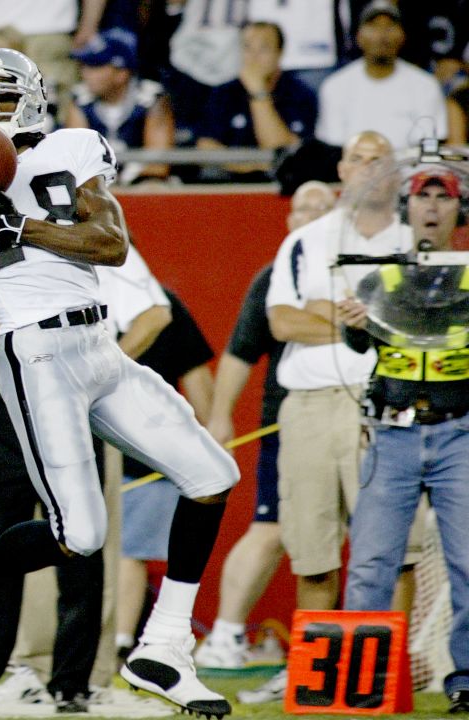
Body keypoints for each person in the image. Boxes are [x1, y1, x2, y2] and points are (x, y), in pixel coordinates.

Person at [0, 47, 239, 718]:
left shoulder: (74, 146)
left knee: (212, 476)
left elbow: (109, 243)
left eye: (4, 92)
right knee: (78, 534)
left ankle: (165, 646)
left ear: (33, 96)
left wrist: (17, 223)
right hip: (37, 353)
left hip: (98, 343)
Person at [251, 130, 414, 704]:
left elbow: (423, 327)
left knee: (396, 553)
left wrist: (344, 316)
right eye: (359, 159)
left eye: (380, 160)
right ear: (342, 169)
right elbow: (281, 325)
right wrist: (366, 322)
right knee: (313, 551)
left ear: (395, 172)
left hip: (389, 405)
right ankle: (315, 673)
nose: (368, 169)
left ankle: (388, 675)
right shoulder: (305, 240)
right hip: (312, 407)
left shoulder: (415, 237)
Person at [338, 164, 469, 715]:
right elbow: (360, 346)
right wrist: (351, 323)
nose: (433, 207)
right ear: (407, 208)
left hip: (459, 433)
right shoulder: (378, 277)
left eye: (444, 197)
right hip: (392, 432)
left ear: (458, 212)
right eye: (423, 197)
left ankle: (464, 679)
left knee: (468, 563)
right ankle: (357, 680)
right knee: (370, 563)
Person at [0, 271, 104, 715]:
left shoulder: (80, 259)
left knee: (81, 550)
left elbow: (140, 320)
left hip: (72, 408)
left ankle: (72, 683)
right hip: (9, 410)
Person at [193, 180, 336, 670]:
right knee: (271, 528)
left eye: (325, 207)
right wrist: (219, 418)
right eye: (304, 209)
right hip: (288, 424)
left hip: (355, 420)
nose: (314, 215)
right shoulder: (276, 276)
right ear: (289, 221)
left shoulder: (355, 271)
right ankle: (225, 636)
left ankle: (342, 650)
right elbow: (239, 354)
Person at [114, 289, 216, 663]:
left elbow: (195, 371)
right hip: (110, 447)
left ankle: (120, 641)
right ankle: (115, 639)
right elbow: (198, 375)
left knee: (129, 552)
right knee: (119, 552)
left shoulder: (161, 303)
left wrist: (210, 437)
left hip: (143, 452)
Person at [315, 1, 450, 150]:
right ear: (359, 37)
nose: (382, 34)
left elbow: (430, 147)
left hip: (408, 169)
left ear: (402, 36)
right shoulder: (335, 86)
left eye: (390, 26)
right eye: (374, 26)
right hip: (355, 169)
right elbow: (333, 147)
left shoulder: (425, 86)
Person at [196, 21, 319, 182]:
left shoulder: (300, 95)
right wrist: (254, 166)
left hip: (281, 185)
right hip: (230, 184)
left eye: (264, 49)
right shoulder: (223, 93)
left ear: (280, 53)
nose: (254, 57)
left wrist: (258, 93)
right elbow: (206, 147)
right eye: (247, 48)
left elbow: (283, 151)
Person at [64, 27, 174, 183]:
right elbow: (75, 158)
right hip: (95, 187)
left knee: (154, 186)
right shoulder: (80, 99)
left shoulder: (151, 99)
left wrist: (127, 179)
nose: (85, 74)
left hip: (141, 185)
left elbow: (158, 165)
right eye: (85, 66)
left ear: (121, 73)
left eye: (95, 66)